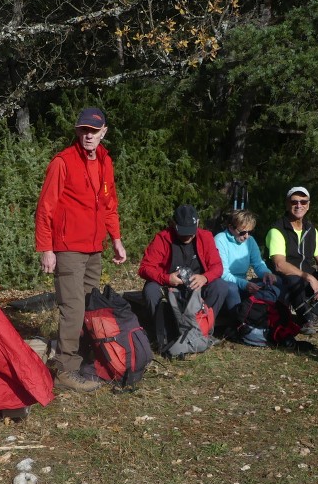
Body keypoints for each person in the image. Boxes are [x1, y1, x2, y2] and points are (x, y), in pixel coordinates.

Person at [35, 106, 127, 392]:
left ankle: (88, 358)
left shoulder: (105, 161)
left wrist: (116, 239)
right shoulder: (62, 162)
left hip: (94, 248)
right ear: (77, 131)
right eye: (83, 130)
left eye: (94, 130)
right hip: (67, 248)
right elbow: (45, 209)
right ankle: (65, 368)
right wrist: (46, 249)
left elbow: (109, 204)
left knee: (89, 305)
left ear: (104, 132)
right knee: (72, 308)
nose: (88, 136)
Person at [265, 187, 318, 334]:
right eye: (294, 202)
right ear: (287, 204)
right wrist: (310, 277)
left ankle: (315, 315)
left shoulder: (311, 230)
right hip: (288, 279)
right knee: (294, 279)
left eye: (303, 201)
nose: (299, 205)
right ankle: (307, 317)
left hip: (308, 278)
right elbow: (279, 265)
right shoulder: (277, 230)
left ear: (308, 204)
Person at [138, 204, 227, 349]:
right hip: (169, 286)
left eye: (191, 232)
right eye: (183, 232)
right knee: (150, 290)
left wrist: (204, 277)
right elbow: (144, 268)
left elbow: (217, 267)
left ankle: (202, 328)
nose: (187, 236)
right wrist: (167, 278)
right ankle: (162, 333)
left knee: (220, 286)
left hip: (196, 286)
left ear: (197, 224)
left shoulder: (205, 237)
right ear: (174, 224)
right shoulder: (162, 238)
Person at [213, 209, 278, 323]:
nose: (246, 236)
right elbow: (223, 273)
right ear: (231, 227)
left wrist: (266, 273)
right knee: (231, 288)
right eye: (242, 232)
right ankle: (238, 323)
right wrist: (245, 284)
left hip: (244, 283)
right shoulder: (220, 240)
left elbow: (258, 264)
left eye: (250, 232)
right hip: (227, 284)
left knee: (273, 283)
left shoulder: (250, 241)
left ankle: (268, 319)